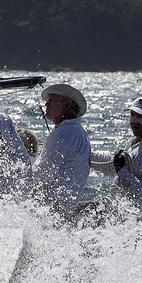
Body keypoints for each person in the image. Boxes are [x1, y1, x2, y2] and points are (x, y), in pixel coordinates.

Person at [90, 96, 142, 225]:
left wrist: (122, 171)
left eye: (141, 117)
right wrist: (85, 156)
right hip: (116, 212)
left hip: (132, 224)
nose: (134, 121)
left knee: (74, 217)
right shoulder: (139, 140)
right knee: (74, 214)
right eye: (132, 115)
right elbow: (114, 166)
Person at [30, 83, 91, 219]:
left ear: (67, 105)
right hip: (64, 208)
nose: (46, 105)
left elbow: (44, 173)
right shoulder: (78, 130)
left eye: (52, 100)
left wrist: (16, 177)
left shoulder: (63, 132)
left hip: (52, 209)